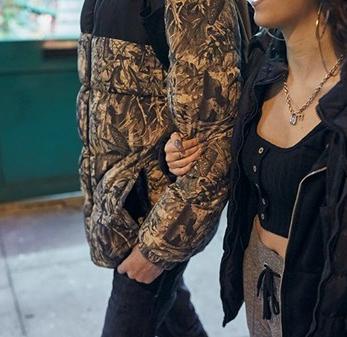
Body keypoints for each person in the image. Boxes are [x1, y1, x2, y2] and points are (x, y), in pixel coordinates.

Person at [165, 0, 347, 336]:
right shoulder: (263, 63)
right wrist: (178, 152)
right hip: (260, 287)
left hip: (327, 312)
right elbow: (242, 165)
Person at [76, 1, 248, 336]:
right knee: (176, 322)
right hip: (120, 206)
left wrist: (156, 250)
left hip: (157, 215)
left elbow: (213, 141)